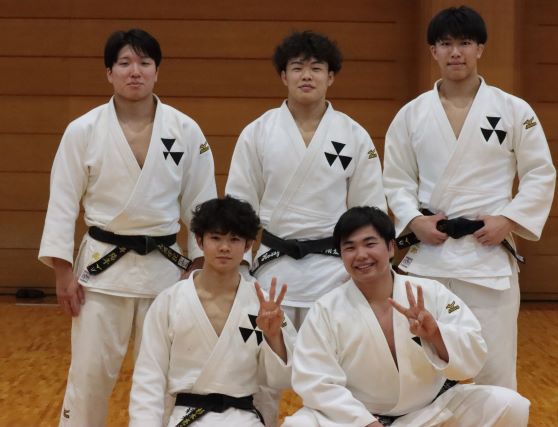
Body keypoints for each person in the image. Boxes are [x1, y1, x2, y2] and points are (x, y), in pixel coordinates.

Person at [38, 29, 216, 426]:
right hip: (101, 272)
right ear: (109, 73)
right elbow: (62, 202)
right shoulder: (83, 130)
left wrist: (199, 265)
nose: (135, 71)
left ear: (157, 71)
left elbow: (201, 204)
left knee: (167, 377)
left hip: (165, 272)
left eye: (144, 63)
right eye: (124, 63)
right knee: (89, 376)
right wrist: (63, 272)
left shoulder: (185, 130)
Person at [382, 6, 556, 389]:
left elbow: (540, 173)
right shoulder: (411, 115)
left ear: (480, 48)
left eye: (464, 43)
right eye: (445, 44)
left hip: (487, 259)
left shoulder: (514, 110)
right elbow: (395, 178)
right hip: (430, 259)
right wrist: (414, 220)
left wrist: (508, 220)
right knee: (423, 371)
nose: (455, 52)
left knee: (493, 369)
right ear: (433, 51)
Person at [282, 207, 530, 427]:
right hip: (362, 417)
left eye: (370, 244)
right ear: (341, 255)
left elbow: (473, 353)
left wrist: (435, 335)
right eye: (350, 247)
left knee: (510, 405)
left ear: (391, 247)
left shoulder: (430, 292)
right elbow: (315, 380)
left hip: (432, 409)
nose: (361, 255)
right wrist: (365, 422)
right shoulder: (326, 309)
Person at [226, 30, 386, 329]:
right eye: (297, 68)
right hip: (273, 267)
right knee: (269, 353)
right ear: (284, 76)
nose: (307, 76)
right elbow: (239, 206)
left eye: (316, 68)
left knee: (334, 352)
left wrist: (364, 264)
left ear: (331, 77)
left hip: (334, 271)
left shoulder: (354, 135)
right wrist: (241, 264)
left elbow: (370, 209)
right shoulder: (258, 132)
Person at [129, 196, 296, 426]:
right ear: (199, 241)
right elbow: (149, 377)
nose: (224, 247)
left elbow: (282, 379)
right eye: (215, 238)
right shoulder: (170, 301)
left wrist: (273, 336)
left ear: (248, 245)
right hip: (186, 418)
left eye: (234, 239)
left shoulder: (264, 305)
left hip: (243, 419)